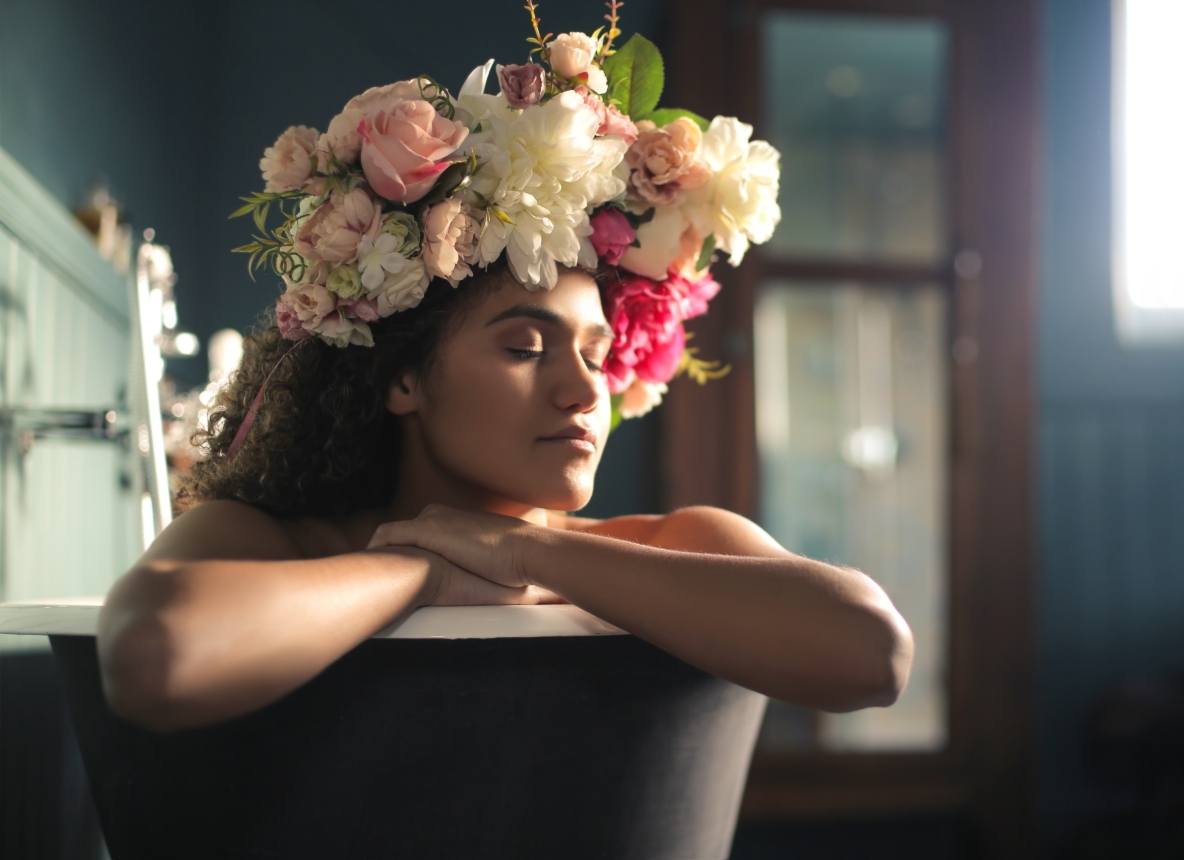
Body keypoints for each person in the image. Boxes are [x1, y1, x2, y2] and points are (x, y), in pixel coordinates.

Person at [96, 13, 914, 734]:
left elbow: (874, 653)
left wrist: (524, 554)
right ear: (402, 378)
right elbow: (153, 660)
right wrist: (416, 567)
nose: (584, 389)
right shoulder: (263, 542)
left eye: (596, 354)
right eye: (526, 348)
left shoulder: (678, 547)